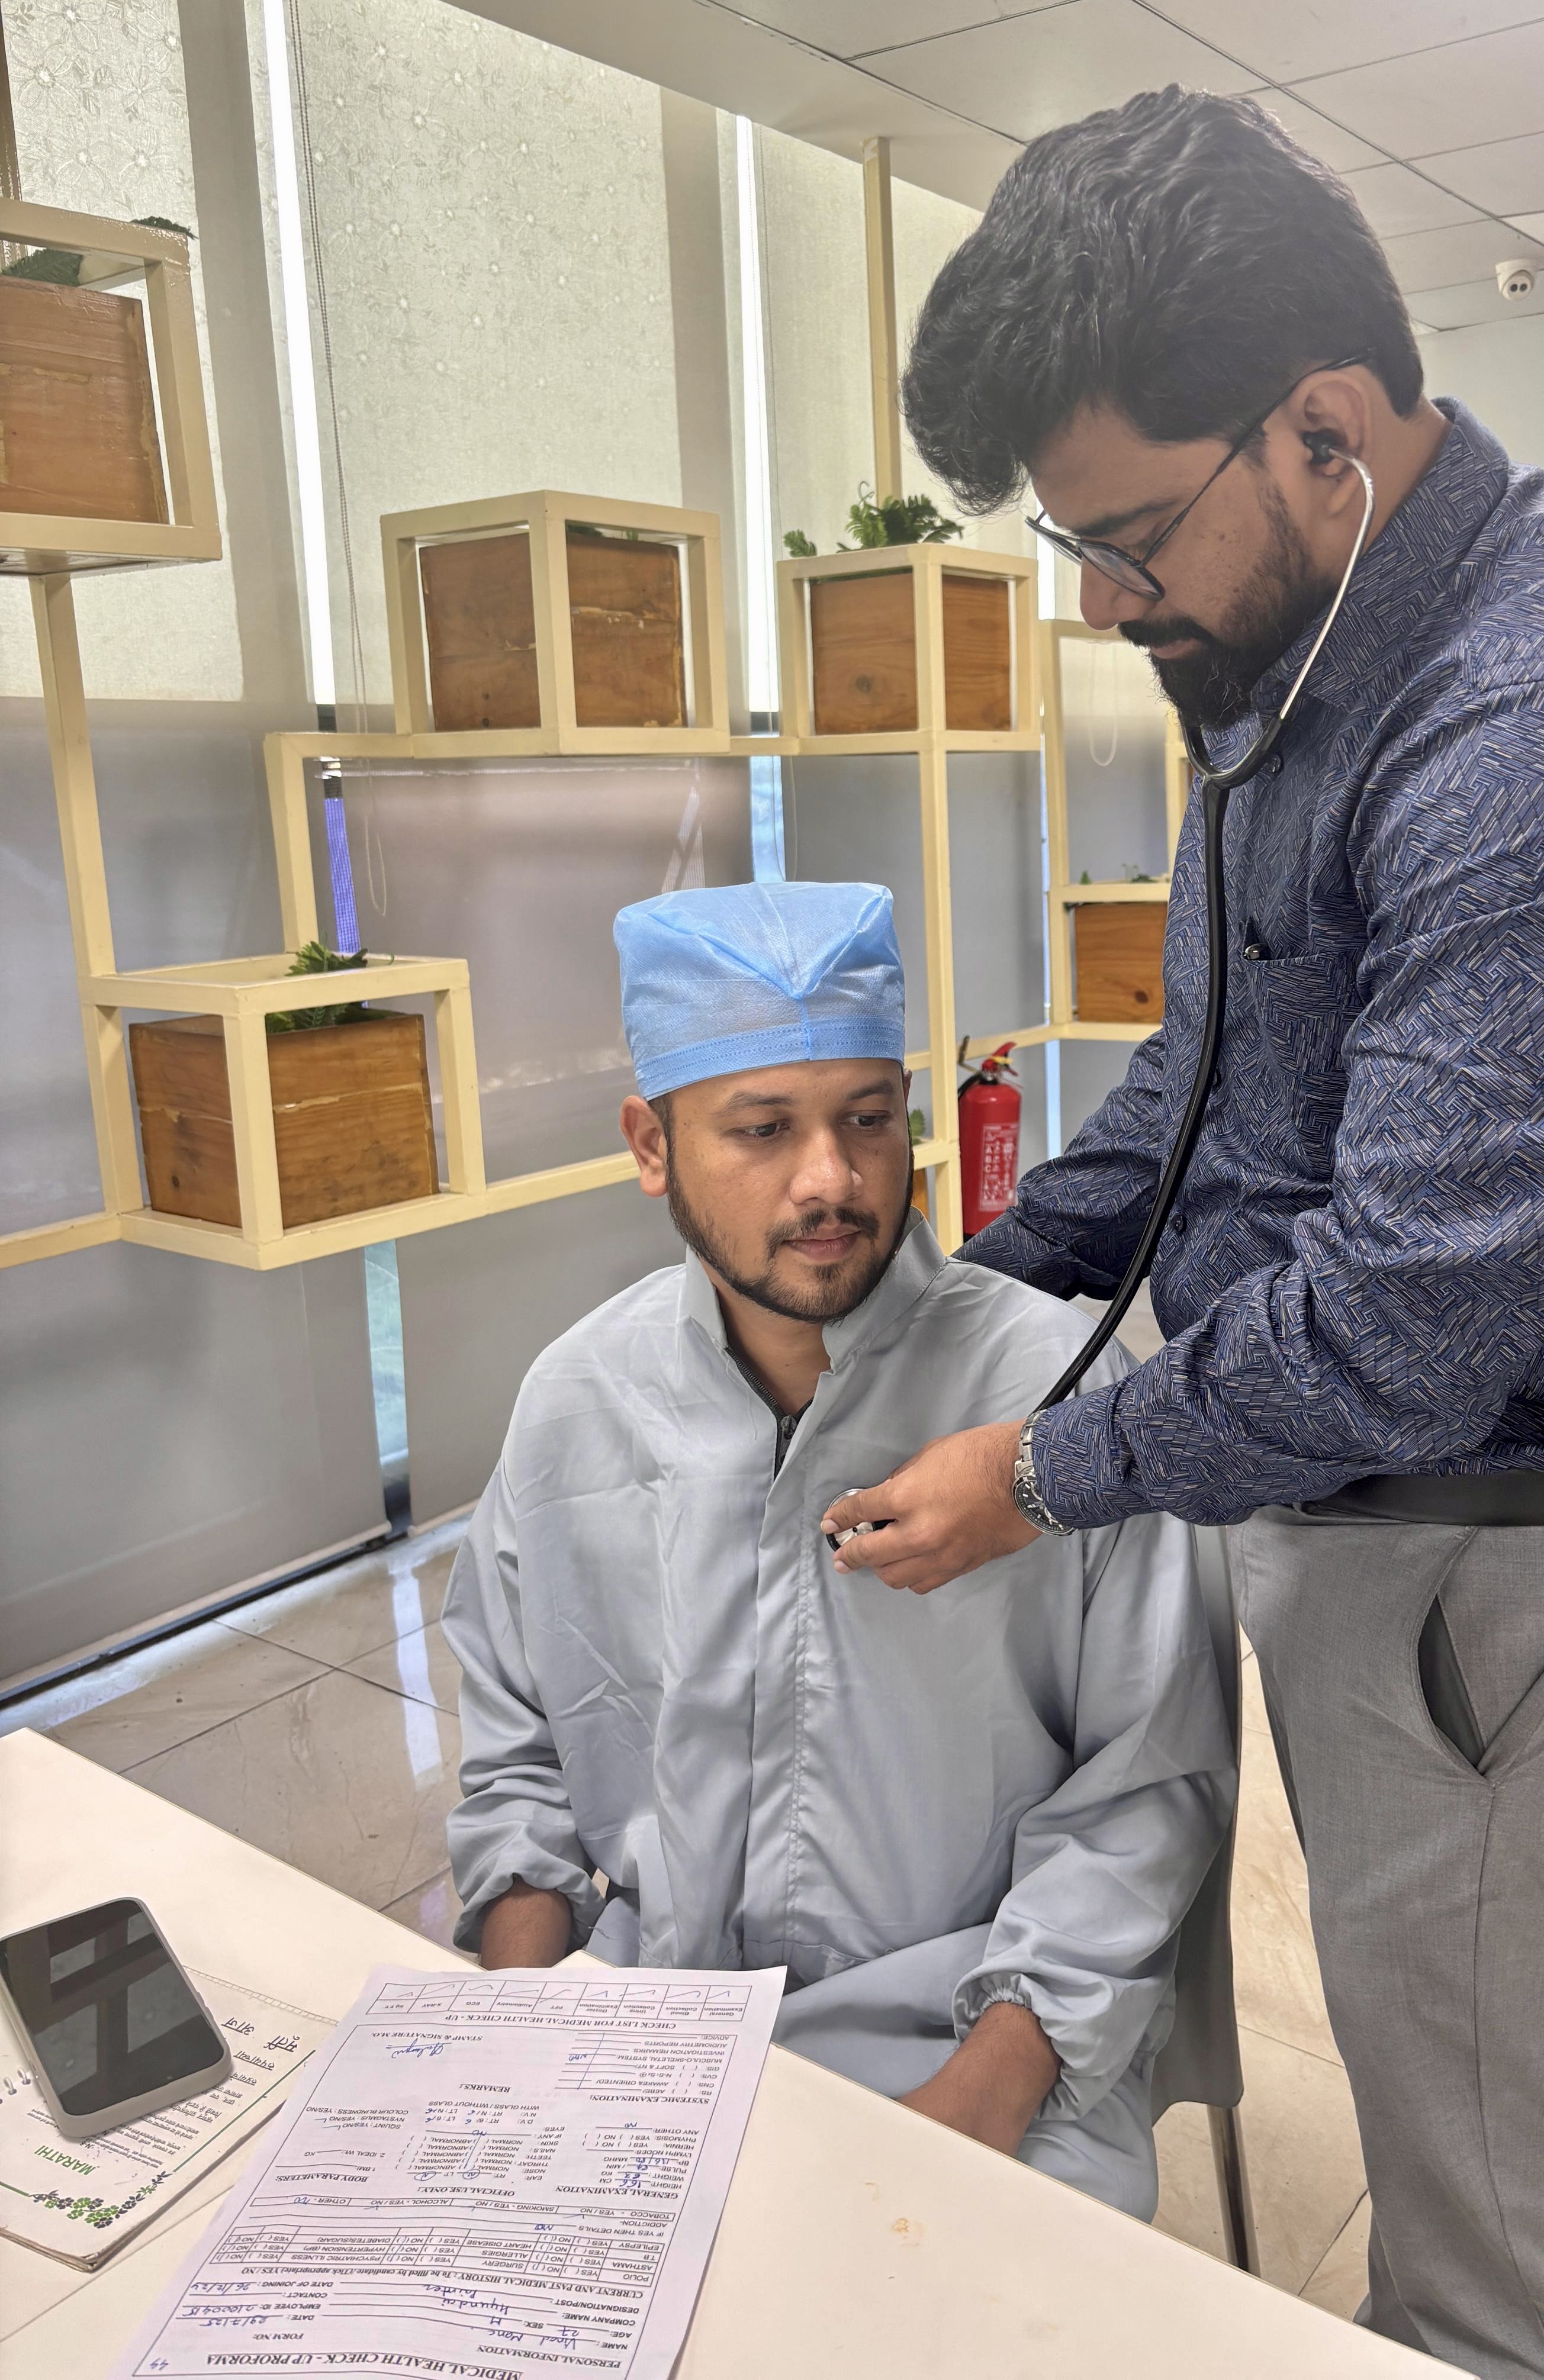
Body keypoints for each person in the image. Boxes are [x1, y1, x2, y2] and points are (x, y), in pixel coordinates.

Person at [821, 91, 1544, 2378]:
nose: (1100, 598)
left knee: (1492, 2238)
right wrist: (977, 1289)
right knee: (1421, 2083)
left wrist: (1040, 1470)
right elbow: (1214, 1074)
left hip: (1494, 1553)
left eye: (1130, 532)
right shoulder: (1289, 663)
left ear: (1327, 432)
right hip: (1361, 1521)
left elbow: (1403, 1323)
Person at [441, 878, 1234, 2218]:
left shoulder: (1065, 1400)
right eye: (762, 1130)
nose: (832, 1178)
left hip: (978, 2056)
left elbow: (1148, 1795)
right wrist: (521, 2041)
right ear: (651, 1144)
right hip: (645, 2035)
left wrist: (966, 2117)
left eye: (869, 1119)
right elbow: (519, 1756)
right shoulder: (578, 1402)